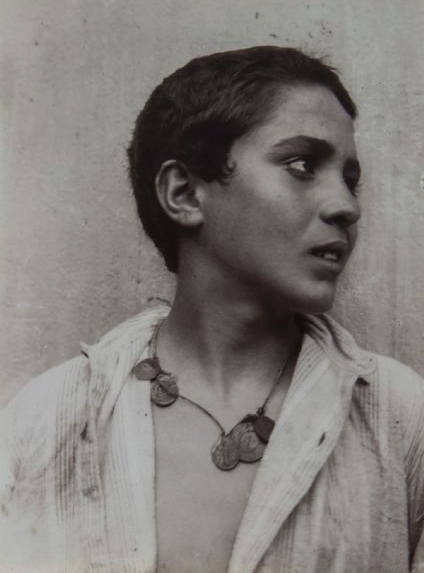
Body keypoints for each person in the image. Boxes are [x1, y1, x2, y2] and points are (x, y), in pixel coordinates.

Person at [1, 45, 424, 573]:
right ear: (184, 193)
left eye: (350, 178)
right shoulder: (47, 421)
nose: (347, 205)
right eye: (302, 165)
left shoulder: (399, 417)